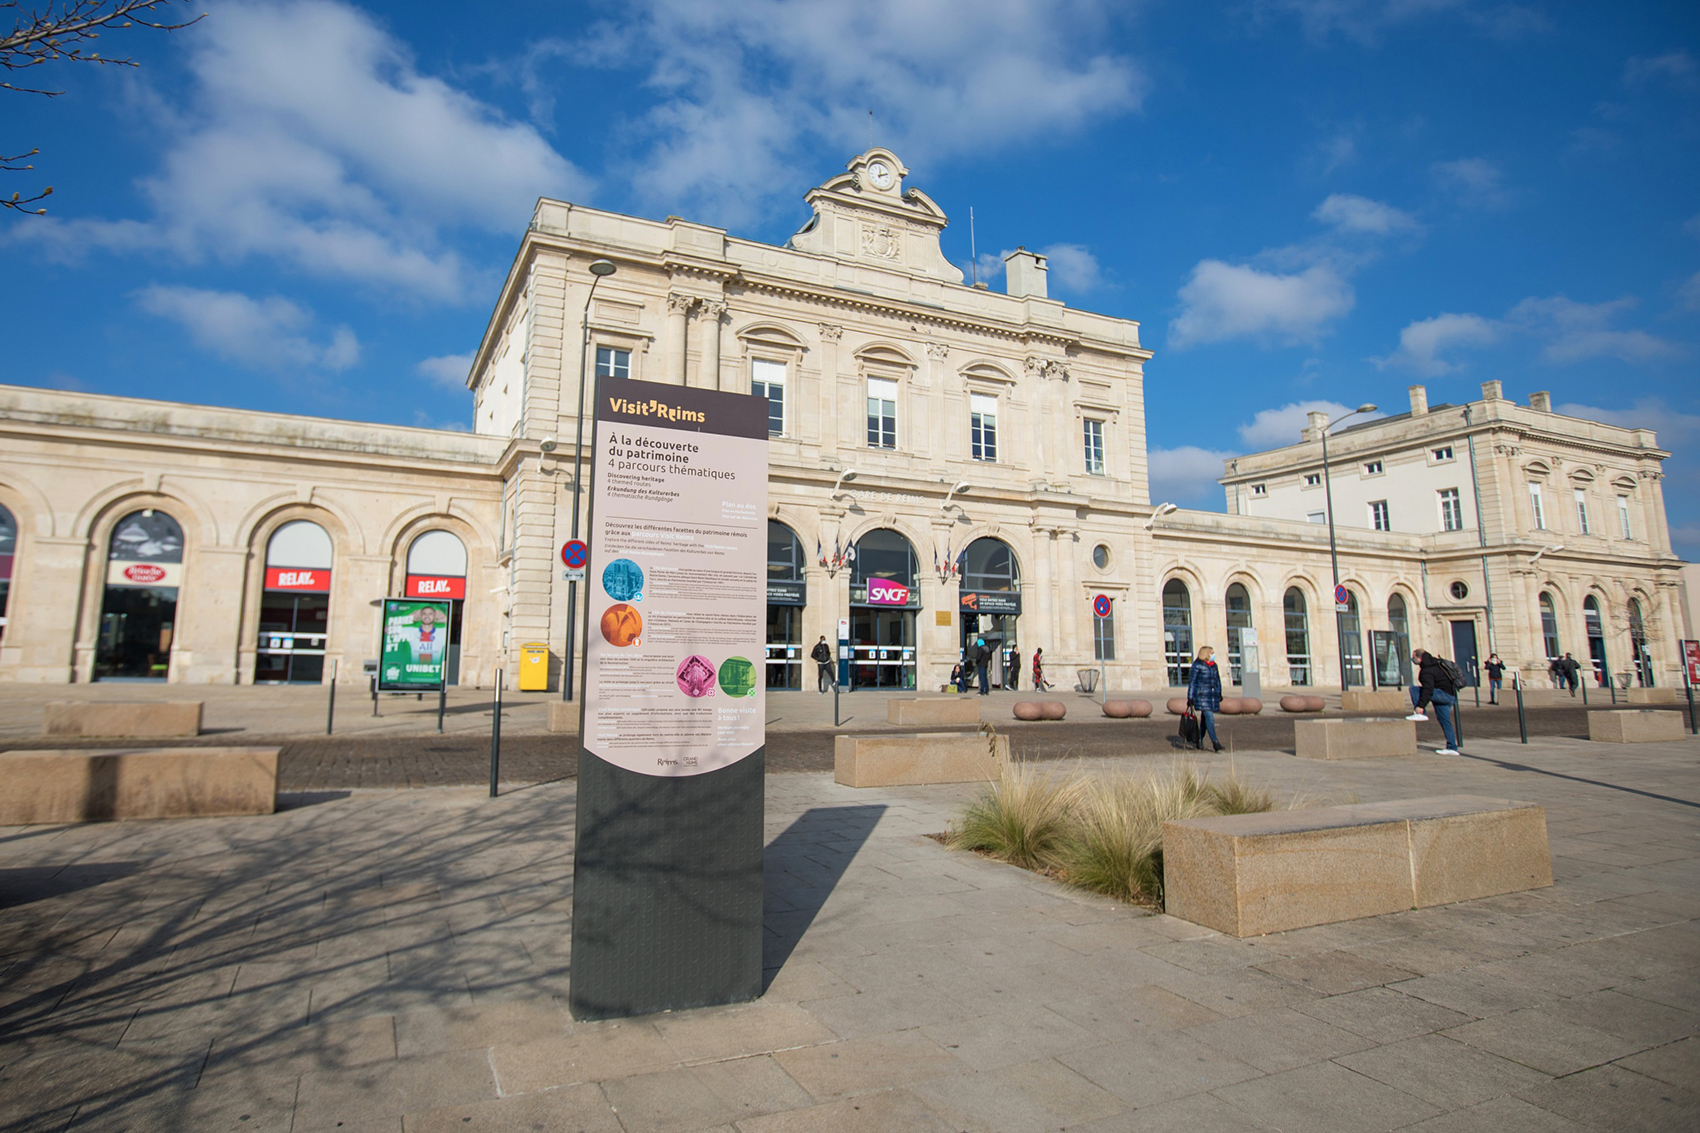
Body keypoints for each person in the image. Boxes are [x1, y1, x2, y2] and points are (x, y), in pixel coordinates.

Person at [1406, 649, 1461, 754]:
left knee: (1414, 689)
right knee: (1445, 721)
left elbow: (1428, 690)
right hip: (1450, 695)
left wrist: (1420, 706)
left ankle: (1421, 714)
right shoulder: (1437, 664)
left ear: (1420, 658)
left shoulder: (1426, 671)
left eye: (1414, 657)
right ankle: (1452, 747)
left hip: (1443, 695)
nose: (1413, 660)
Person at [1186, 645, 1224, 753]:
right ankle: (1215, 742)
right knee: (1210, 717)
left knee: (1204, 720)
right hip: (1202, 696)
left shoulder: (1214, 666)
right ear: (1205, 654)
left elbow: (1217, 681)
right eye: (1211, 653)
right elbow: (1192, 682)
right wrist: (1190, 697)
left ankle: (1199, 740)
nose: (1213, 655)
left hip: (1211, 696)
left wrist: (1219, 693)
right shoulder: (1197, 665)